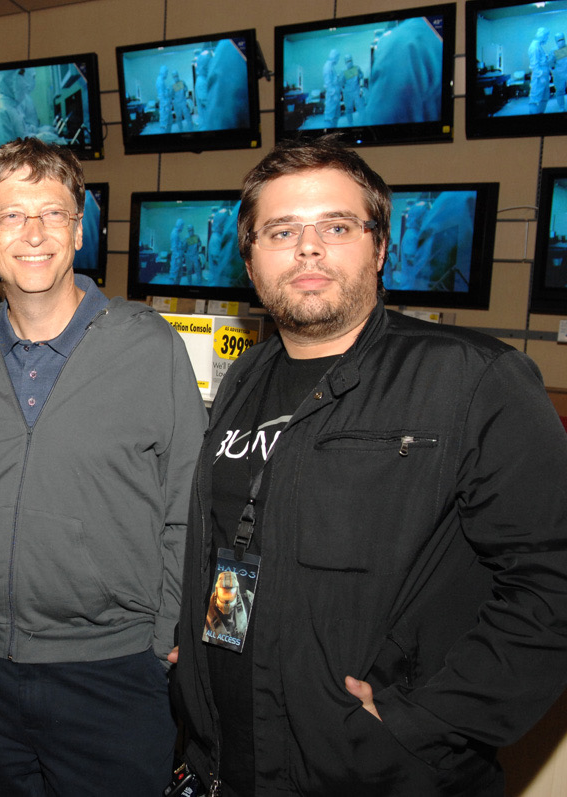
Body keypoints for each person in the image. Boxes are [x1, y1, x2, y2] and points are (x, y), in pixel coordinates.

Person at [170, 136, 567, 796]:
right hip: (228, 760)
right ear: (251, 258)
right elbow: (242, 535)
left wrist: (429, 716)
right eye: (281, 230)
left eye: (336, 225)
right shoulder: (246, 375)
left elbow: (553, 576)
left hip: (376, 772)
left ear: (380, 247)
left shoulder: (471, 379)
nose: (308, 247)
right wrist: (204, 656)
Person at [0, 137, 207, 795]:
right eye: (11, 216)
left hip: (109, 672)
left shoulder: (148, 345)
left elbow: (188, 501)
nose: (34, 233)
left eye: (53, 213)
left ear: (78, 232)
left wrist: (164, 630)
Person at [530, 27, 552, 114]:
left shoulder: (539, 46)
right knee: (535, 100)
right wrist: (541, 77)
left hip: (544, 77)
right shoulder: (534, 47)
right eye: (547, 36)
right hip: (539, 78)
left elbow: (542, 62)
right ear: (542, 35)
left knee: (545, 97)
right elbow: (534, 65)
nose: (547, 38)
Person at [340, 54, 363, 125]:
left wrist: (361, 89)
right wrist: (343, 91)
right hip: (347, 93)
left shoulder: (357, 68)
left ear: (352, 60)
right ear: (345, 62)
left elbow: (361, 77)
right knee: (349, 109)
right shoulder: (343, 71)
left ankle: (362, 122)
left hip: (356, 91)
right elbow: (341, 83)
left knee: (360, 107)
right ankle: (350, 123)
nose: (349, 62)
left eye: (350, 60)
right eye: (347, 61)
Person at [323, 48, 342, 126]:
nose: (338, 59)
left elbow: (333, 80)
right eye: (338, 57)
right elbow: (328, 84)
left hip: (335, 96)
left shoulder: (331, 66)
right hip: (332, 97)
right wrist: (334, 95)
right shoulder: (327, 67)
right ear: (335, 57)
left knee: (336, 116)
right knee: (330, 118)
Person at [553, 32, 567, 111]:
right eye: (559, 40)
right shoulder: (554, 51)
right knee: (559, 91)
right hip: (559, 74)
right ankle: (561, 107)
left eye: (562, 39)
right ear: (556, 41)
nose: (561, 41)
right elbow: (551, 63)